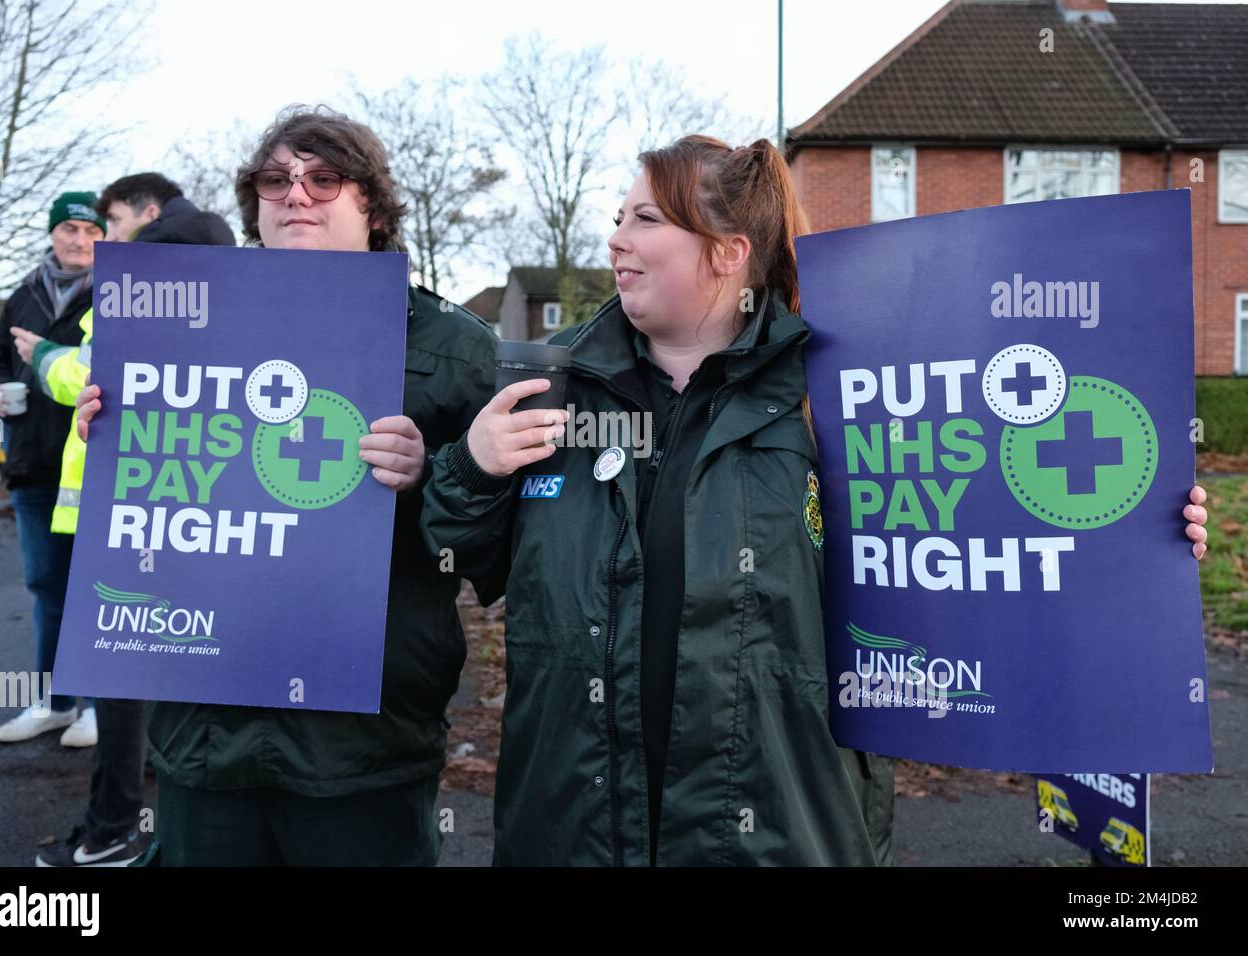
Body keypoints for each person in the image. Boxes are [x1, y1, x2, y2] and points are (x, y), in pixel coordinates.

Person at [421, 135, 1211, 866]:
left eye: (646, 219)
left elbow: (989, 539)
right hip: (573, 829)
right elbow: (467, 559)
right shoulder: (555, 391)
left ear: (729, 253)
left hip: (778, 830)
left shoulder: (840, 397)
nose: (616, 238)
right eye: (618, 217)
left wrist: (1136, 540)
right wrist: (473, 469)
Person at [74, 107, 497, 865]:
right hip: (205, 736)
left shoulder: (456, 348)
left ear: (373, 203)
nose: (297, 193)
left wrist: (434, 473)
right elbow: (157, 512)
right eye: (276, 179)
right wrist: (116, 431)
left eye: (324, 177)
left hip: (363, 747)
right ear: (254, 206)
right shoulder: (183, 326)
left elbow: (502, 554)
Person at [15, 173, 236, 867]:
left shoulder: (145, 281)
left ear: (146, 214)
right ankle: (124, 827)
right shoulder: (195, 274)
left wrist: (42, 357)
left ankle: (114, 831)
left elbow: (91, 372)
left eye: (109, 220)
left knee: (123, 680)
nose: (102, 236)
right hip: (145, 507)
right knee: (143, 676)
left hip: (128, 514)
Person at [0, 193, 104, 747]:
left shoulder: (119, 296)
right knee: (46, 586)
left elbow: (90, 368)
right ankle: (56, 700)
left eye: (89, 229)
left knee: (100, 588)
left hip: (91, 468)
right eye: (68, 228)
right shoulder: (20, 296)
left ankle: (103, 708)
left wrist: (46, 354)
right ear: (53, 234)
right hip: (33, 464)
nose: (78, 239)